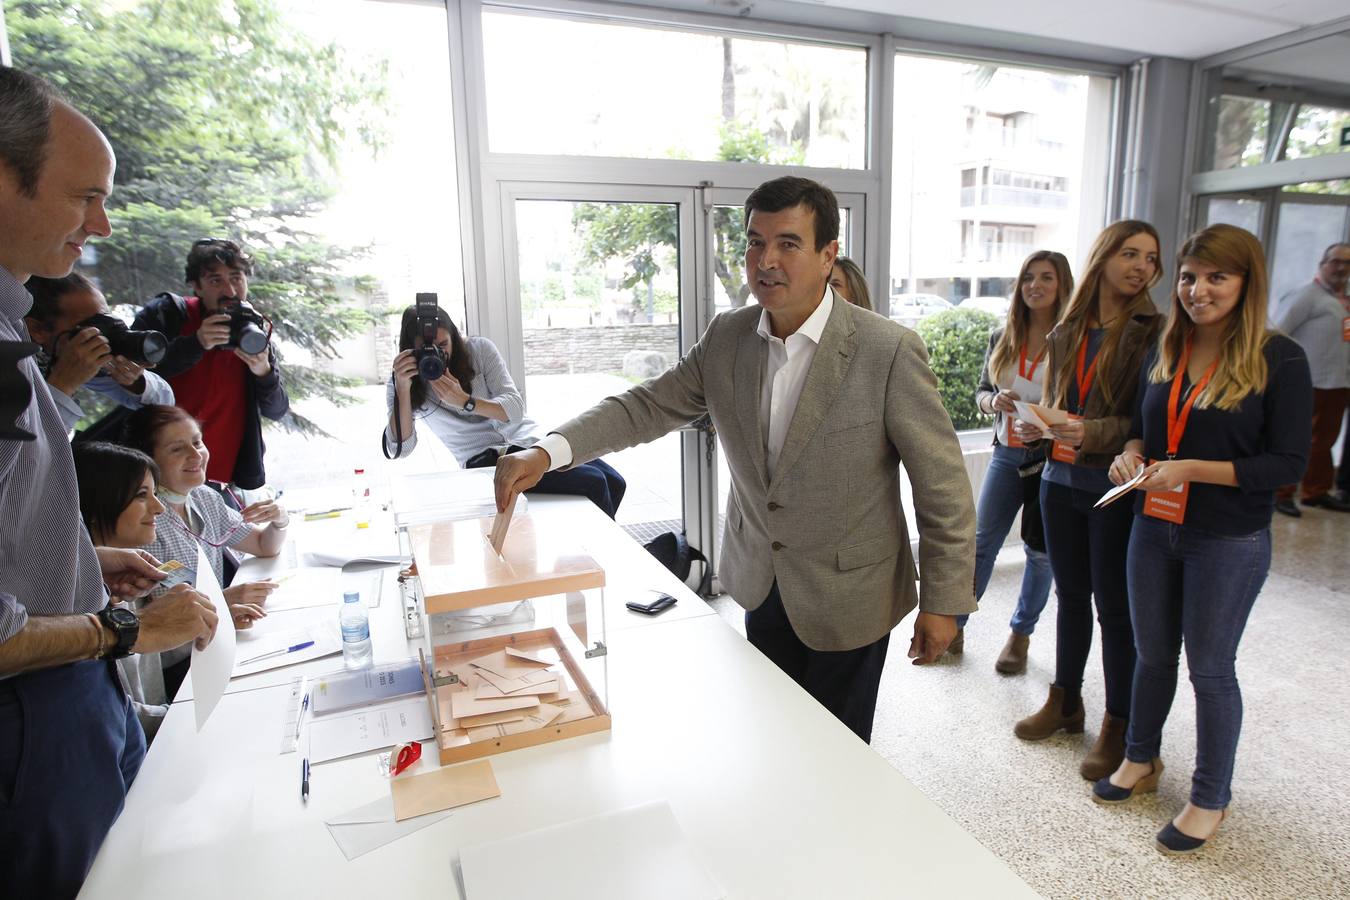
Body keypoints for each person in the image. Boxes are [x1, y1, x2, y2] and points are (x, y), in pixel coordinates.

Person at [494, 176, 977, 743]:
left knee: (839, 751)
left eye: (788, 244)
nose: (766, 260)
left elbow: (941, 485)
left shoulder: (886, 350)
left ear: (828, 255)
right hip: (759, 579)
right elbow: (646, 405)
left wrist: (943, 603)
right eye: (754, 242)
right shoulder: (728, 337)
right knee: (773, 736)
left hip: (851, 595)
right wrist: (548, 452)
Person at [0, 66, 218, 900]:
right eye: (85, 196)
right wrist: (120, 631)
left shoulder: (9, 330)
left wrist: (82, 554)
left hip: (70, 698)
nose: (101, 223)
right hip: (30, 718)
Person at [1097, 224, 1311, 855]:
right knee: (1151, 655)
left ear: (1246, 283)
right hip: (1154, 525)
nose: (1198, 290)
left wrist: (1189, 469)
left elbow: (1287, 465)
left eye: (1217, 277)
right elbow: (1143, 427)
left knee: (1210, 670)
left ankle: (1210, 796)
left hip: (1228, 539)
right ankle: (1141, 760)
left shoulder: (1281, 358)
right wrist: (1130, 457)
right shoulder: (1167, 346)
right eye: (1189, 276)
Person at [1011, 220, 1163, 782]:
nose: (1140, 266)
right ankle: (1065, 702)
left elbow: (1143, 423)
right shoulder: (1068, 326)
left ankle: (1117, 726)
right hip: (1058, 478)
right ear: (1103, 257)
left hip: (1112, 485)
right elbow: (1058, 401)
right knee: (1071, 598)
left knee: (1114, 610)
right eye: (1130, 253)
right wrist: (1041, 428)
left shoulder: (1153, 330)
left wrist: (1085, 431)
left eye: (1150, 258)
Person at [383, 305, 626, 518]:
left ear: (454, 337)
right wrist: (403, 389)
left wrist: (466, 401)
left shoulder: (478, 350)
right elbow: (400, 449)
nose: (437, 355)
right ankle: (609, 558)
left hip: (529, 442)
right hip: (485, 460)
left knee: (615, 482)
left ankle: (592, 551)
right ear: (409, 351)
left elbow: (515, 408)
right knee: (595, 483)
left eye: (443, 345)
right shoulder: (403, 381)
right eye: (425, 350)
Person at [120, 404, 287, 704]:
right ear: (149, 460)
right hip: (182, 668)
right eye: (177, 449)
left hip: (215, 642)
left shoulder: (204, 497)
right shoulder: (144, 525)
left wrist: (279, 518)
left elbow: (265, 545)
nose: (196, 456)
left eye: (197, 442)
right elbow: (160, 637)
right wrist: (222, 605)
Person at [967, 250, 1072, 674]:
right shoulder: (1002, 336)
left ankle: (1020, 636)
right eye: (1028, 277)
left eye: (1046, 278)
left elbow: (1079, 407)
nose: (1035, 286)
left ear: (1062, 285)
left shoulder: (1072, 341)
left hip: (1049, 458)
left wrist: (1044, 425)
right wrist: (994, 400)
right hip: (1006, 453)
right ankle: (954, 623)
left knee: (1039, 552)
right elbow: (980, 392)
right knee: (981, 543)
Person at [132, 238, 289, 491]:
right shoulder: (168, 314)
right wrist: (196, 343)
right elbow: (130, 376)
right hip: (160, 479)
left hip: (223, 481)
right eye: (215, 280)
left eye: (237, 278)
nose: (229, 291)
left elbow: (277, 410)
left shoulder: (250, 329)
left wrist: (263, 372)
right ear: (197, 286)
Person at [71, 441, 173, 738]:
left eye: (156, 493)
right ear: (96, 502)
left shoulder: (129, 581)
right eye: (142, 495)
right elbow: (117, 715)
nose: (160, 507)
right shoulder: (77, 606)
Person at [23, 271, 175, 432]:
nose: (102, 334)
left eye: (106, 318)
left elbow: (164, 403)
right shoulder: (16, 364)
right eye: (91, 326)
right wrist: (63, 383)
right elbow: (30, 445)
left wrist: (135, 381)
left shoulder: (59, 353)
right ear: (37, 330)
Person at [1271, 242, 1349, 516]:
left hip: (1337, 383)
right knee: (1296, 439)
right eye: (1335, 261)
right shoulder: (1306, 296)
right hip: (1307, 382)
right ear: (1322, 264)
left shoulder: (1343, 300)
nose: (1341, 268)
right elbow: (1277, 331)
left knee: (1324, 441)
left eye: (1347, 263)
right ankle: (1281, 493)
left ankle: (1316, 492)